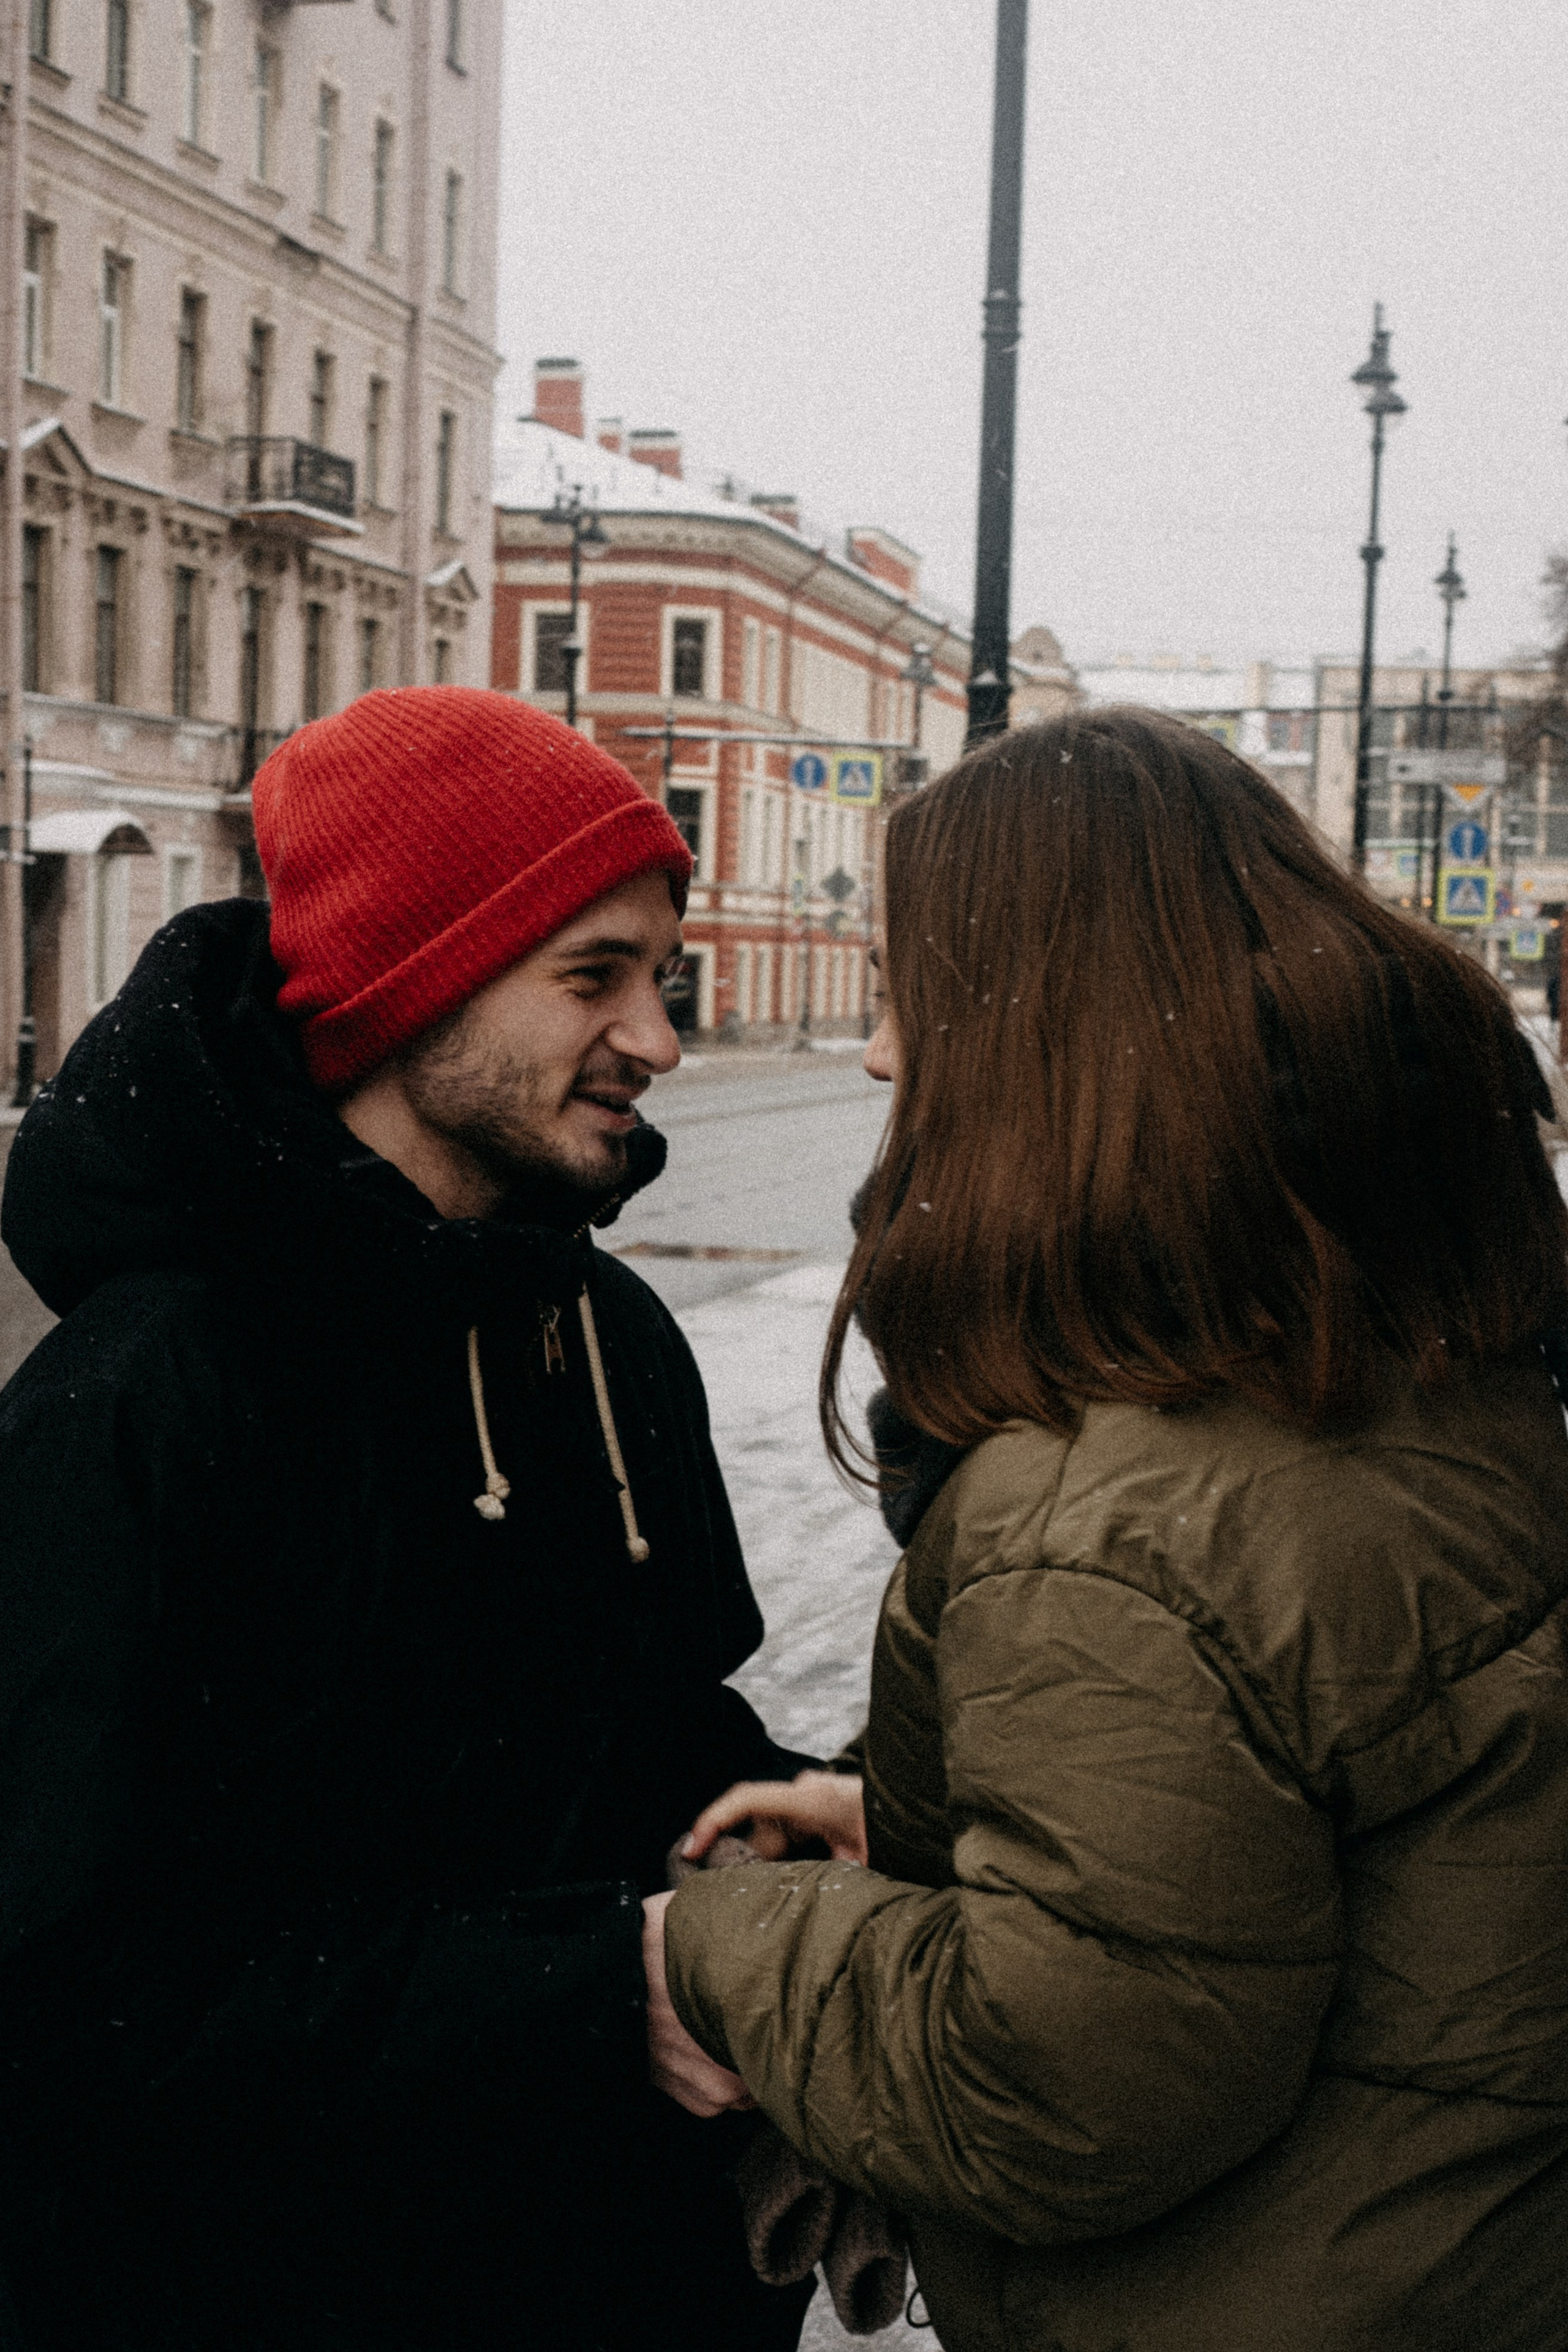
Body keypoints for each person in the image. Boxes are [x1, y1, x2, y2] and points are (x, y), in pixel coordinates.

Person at [652, 706, 1568, 2352]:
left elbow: (1069, 2083)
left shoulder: (1109, 1517)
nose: (874, 1056)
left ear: (1036, 1038)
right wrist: (919, 1821)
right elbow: (1295, 1789)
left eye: (900, 996)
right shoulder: (1398, 1365)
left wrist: (707, 1951)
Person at [0, 687, 814, 2352]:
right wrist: (593, 1997)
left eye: (659, 977)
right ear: (402, 989)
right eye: (593, 976)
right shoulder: (139, 1398)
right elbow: (73, 1996)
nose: (658, 1041)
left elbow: (651, 1727)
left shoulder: (605, 1333)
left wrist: (768, 1826)